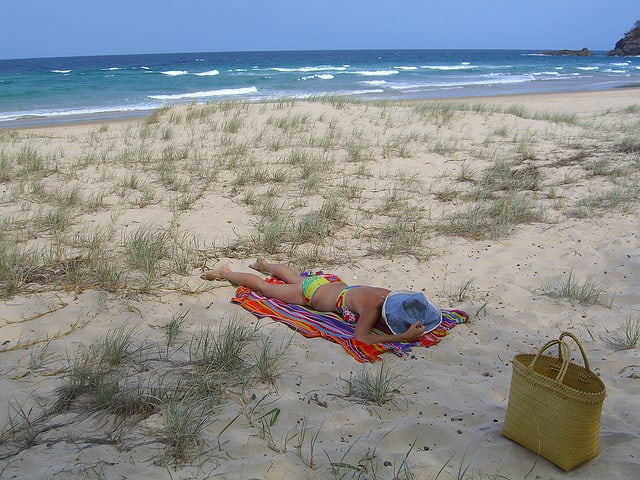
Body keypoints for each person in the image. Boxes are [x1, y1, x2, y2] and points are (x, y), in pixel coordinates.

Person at [201, 257, 443, 346]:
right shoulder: (371, 309)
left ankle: (266, 265)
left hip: (328, 283)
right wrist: (401, 337)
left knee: (293, 278)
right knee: (266, 288)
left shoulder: (386, 293)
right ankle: (226, 273)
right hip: (310, 294)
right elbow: (361, 338)